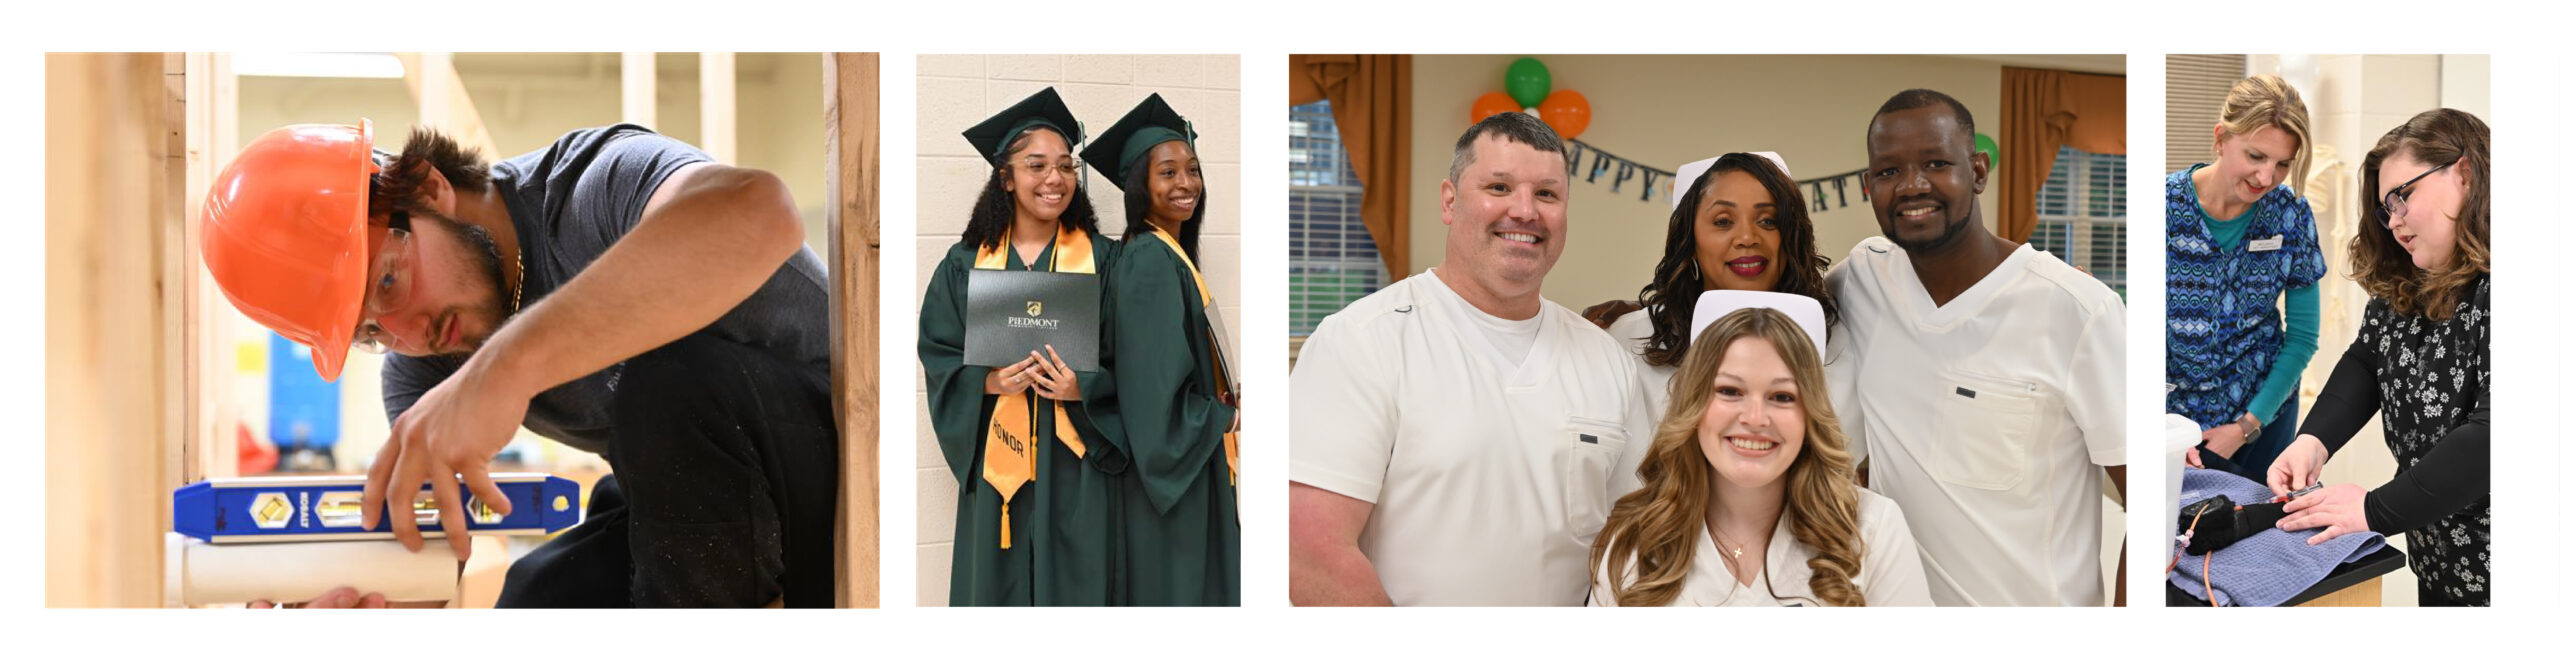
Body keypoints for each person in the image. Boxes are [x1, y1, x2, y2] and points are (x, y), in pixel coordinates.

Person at [199, 119, 836, 607]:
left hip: (842, 465)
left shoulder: (594, 186)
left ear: (427, 188)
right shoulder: (427, 366)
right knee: (538, 598)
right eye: (370, 331)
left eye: (388, 284)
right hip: (704, 503)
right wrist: (374, 591)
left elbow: (760, 210)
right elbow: (429, 549)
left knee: (668, 384)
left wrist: (505, 366)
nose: (406, 334)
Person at [1290, 112, 1650, 606]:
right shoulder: (1362, 341)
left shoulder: (1605, 360)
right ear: (1450, 200)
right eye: (1499, 187)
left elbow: (1634, 544)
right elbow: (1310, 553)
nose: (1525, 211)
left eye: (1546, 194)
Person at [1825, 89, 2126, 606]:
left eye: (1937, 163)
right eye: (1889, 171)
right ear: (1868, 186)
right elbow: (1774, 305)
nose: (1912, 186)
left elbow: (2153, 496)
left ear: (1979, 171)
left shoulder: (2078, 311)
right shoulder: (1861, 279)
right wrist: (1644, 312)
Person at [2268, 107, 2490, 606]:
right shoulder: (2408, 280)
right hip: (2439, 555)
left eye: (2403, 196)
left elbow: (2494, 435)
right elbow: (2368, 361)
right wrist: (2313, 440)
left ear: (2465, 171)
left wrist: (2371, 510)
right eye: (2385, 207)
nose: (2392, 221)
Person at [1589, 291, 1929, 607]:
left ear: (1810, 414)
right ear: (1694, 406)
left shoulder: (1872, 529)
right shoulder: (1633, 542)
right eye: (1730, 391)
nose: (1755, 418)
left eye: (1782, 397)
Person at [920, 88, 1125, 606]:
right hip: (999, 462)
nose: (1055, 179)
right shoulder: (965, 263)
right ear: (1006, 177)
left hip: (1079, 458)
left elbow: (1138, 360)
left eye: (1065, 166)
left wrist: (1086, 387)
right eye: (1037, 165)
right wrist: (988, 381)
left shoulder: (1108, 261)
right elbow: (938, 351)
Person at [1080, 93, 1241, 606]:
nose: (1186, 184)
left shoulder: (1165, 252)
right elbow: (1153, 397)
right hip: (1174, 478)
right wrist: (1223, 417)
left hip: (1191, 465)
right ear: (1139, 186)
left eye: (1192, 170)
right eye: (1167, 173)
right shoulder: (1150, 259)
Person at [1583, 151, 1838, 416]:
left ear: (1791, 235)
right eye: (1723, 222)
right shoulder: (1627, 341)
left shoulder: (1840, 338)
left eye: (1768, 221)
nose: (1747, 237)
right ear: (1690, 240)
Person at [2168, 74, 2323, 484]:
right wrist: (2165, 429)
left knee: (2252, 534)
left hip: (2263, 417)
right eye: (2255, 156)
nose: (2266, 177)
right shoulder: (2162, 209)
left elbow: (2304, 337)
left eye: (2283, 164)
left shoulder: (2290, 215)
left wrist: (2247, 427)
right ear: (2220, 139)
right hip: (2176, 421)